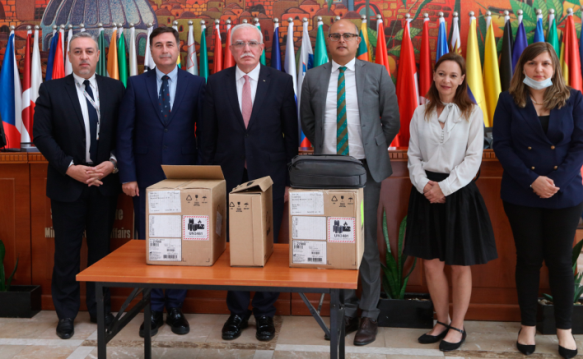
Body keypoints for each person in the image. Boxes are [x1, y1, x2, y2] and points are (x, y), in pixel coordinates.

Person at [300, 19, 400, 346]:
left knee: (367, 243)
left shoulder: (377, 73)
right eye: (336, 35)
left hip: (364, 170)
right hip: (327, 171)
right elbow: (308, 121)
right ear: (327, 41)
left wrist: (369, 152)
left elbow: (392, 119)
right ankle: (345, 308)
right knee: (336, 242)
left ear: (359, 41)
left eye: (349, 35)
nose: (342, 40)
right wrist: (328, 156)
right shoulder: (313, 77)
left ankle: (370, 312)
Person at [200, 23, 298, 342]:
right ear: (230, 49)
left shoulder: (281, 82)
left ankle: (266, 314)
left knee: (267, 244)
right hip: (228, 177)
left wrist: (289, 181)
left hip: (269, 177)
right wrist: (208, 181)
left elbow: (290, 138)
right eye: (239, 43)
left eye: (252, 43)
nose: (246, 49)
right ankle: (238, 311)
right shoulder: (215, 83)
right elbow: (208, 138)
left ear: (261, 48)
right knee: (234, 246)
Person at [493, 43, 583, 359]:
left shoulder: (573, 98)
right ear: (522, 67)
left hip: (564, 193)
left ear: (555, 67)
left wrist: (555, 181)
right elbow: (503, 146)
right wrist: (532, 180)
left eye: (545, 63)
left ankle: (565, 330)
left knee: (561, 262)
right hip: (523, 192)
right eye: (532, 63)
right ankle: (527, 326)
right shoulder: (508, 101)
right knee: (529, 259)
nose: (539, 69)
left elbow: (581, 143)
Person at [33, 32, 125, 339]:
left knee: (102, 251)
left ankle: (101, 310)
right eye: (77, 52)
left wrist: (112, 163)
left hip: (104, 182)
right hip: (67, 184)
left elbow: (124, 134)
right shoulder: (51, 90)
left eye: (89, 51)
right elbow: (42, 136)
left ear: (98, 55)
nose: (84, 57)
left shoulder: (115, 89)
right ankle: (67, 314)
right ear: (69, 57)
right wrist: (70, 168)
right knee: (66, 252)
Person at [116, 26, 205, 338]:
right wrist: (127, 175)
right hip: (145, 176)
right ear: (150, 51)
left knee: (182, 239)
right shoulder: (136, 84)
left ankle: (176, 306)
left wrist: (201, 178)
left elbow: (204, 134)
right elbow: (124, 134)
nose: (164, 50)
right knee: (150, 241)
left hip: (185, 176)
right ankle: (153, 307)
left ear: (178, 47)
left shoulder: (196, 84)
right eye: (158, 45)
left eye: (169, 44)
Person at [405, 53, 497, 352]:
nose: (446, 80)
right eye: (441, 73)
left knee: (459, 263)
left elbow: (473, 159)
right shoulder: (420, 112)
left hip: (458, 192)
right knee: (431, 264)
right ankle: (441, 320)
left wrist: (444, 188)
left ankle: (457, 325)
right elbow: (413, 156)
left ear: (461, 80)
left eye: (453, 75)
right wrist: (425, 186)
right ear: (433, 76)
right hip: (426, 192)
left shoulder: (472, 113)